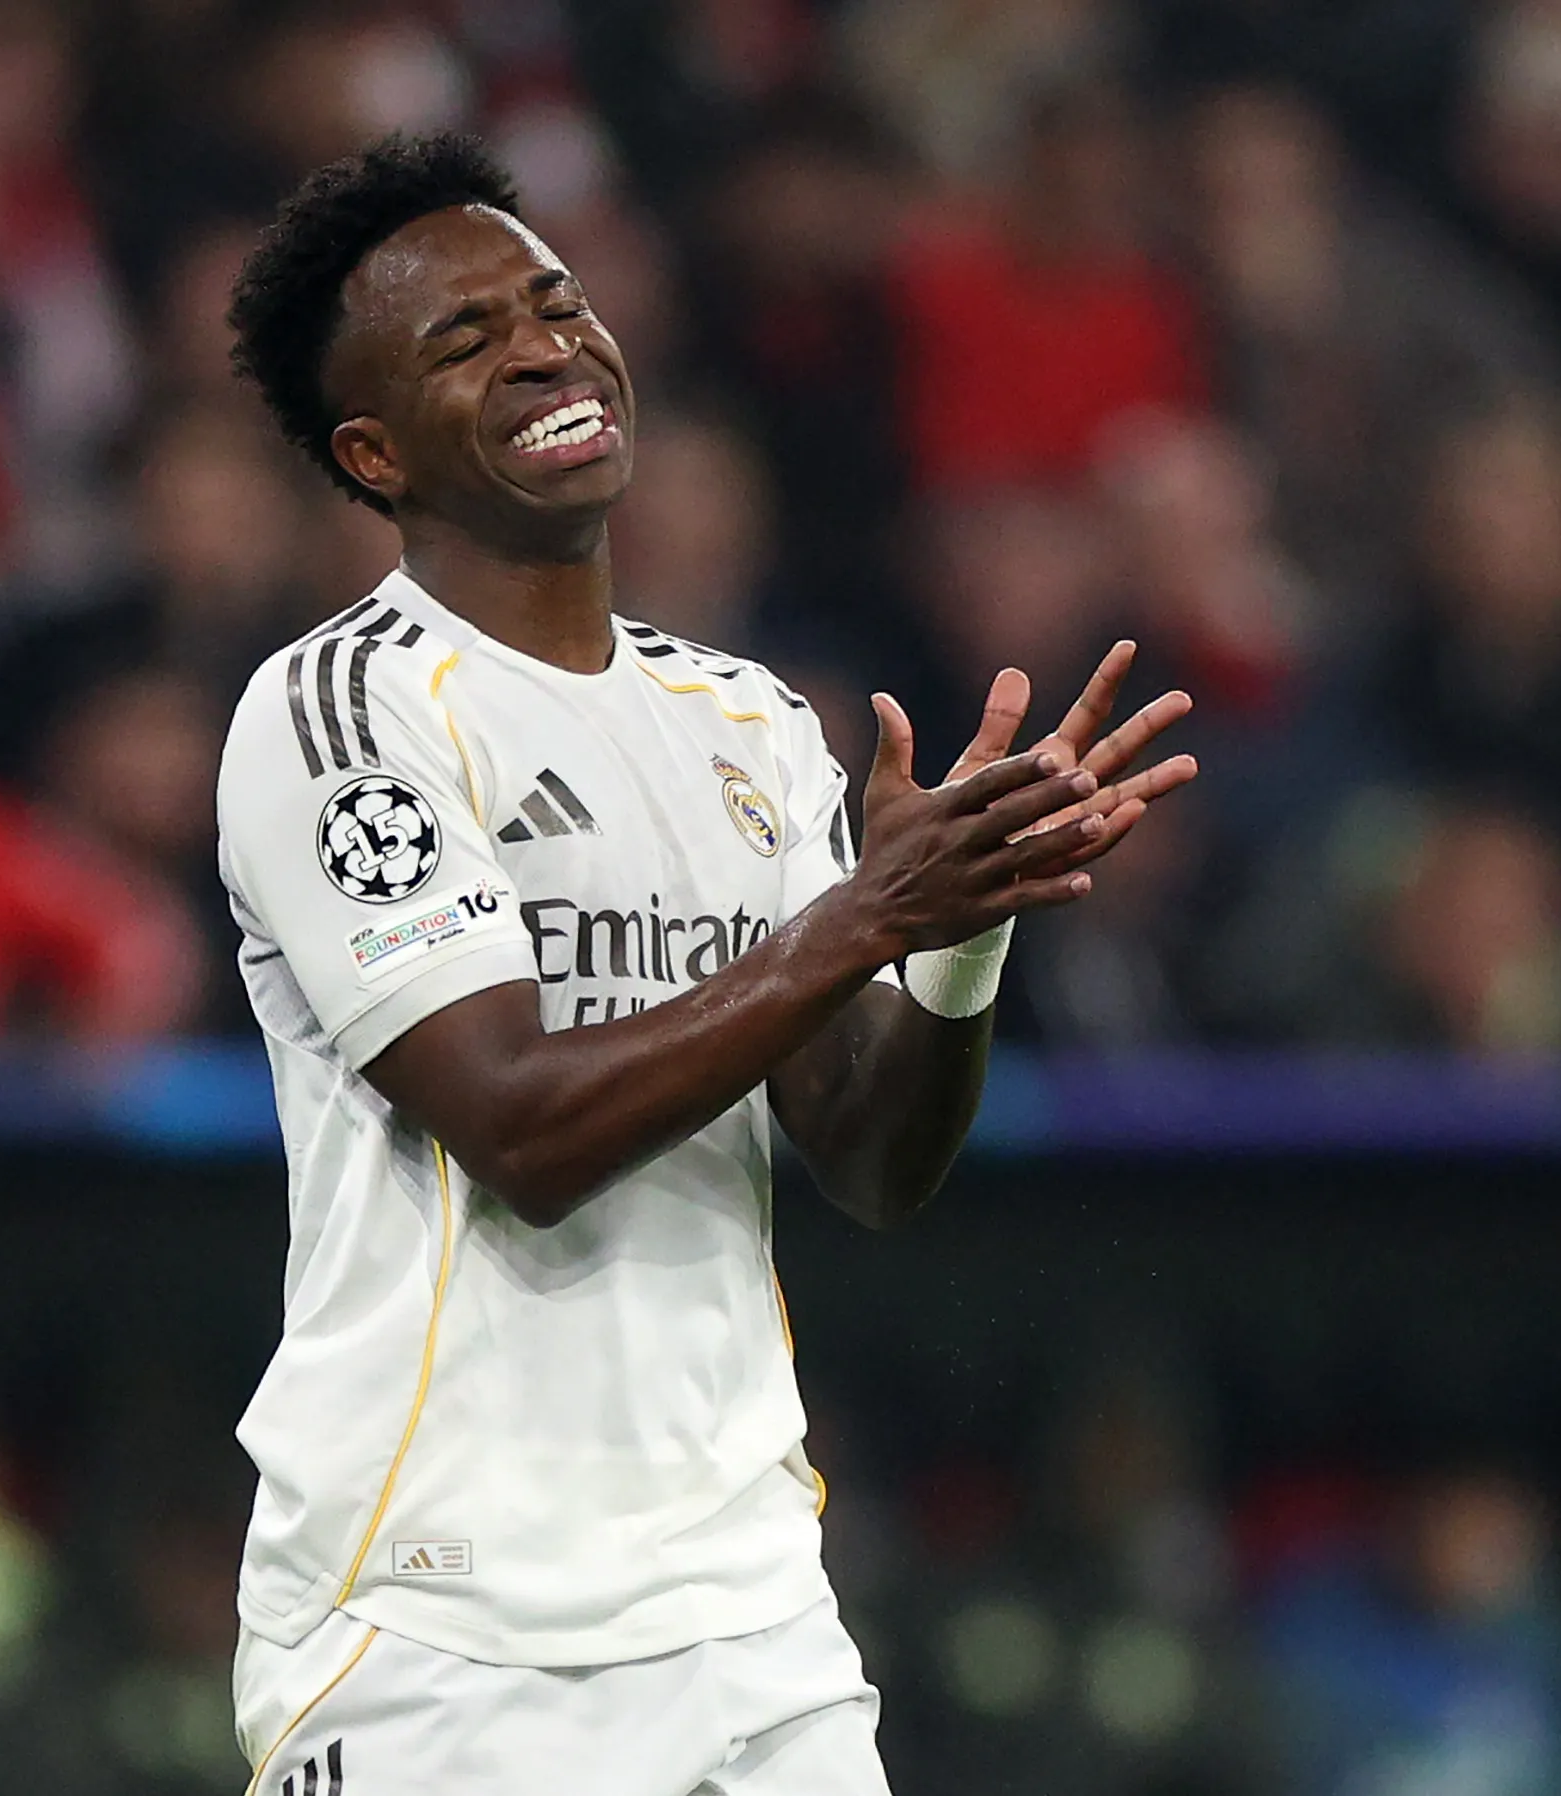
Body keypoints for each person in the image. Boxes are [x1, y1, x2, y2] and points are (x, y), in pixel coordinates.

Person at [213, 132, 1196, 1794]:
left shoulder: (740, 722)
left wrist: (962, 930)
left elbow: (873, 1159)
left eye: (555, 301)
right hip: (441, 1629)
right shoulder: (340, 720)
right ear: (371, 455)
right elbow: (522, 1131)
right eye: (466, 339)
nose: (544, 344)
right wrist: (864, 920)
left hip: (748, 1621)